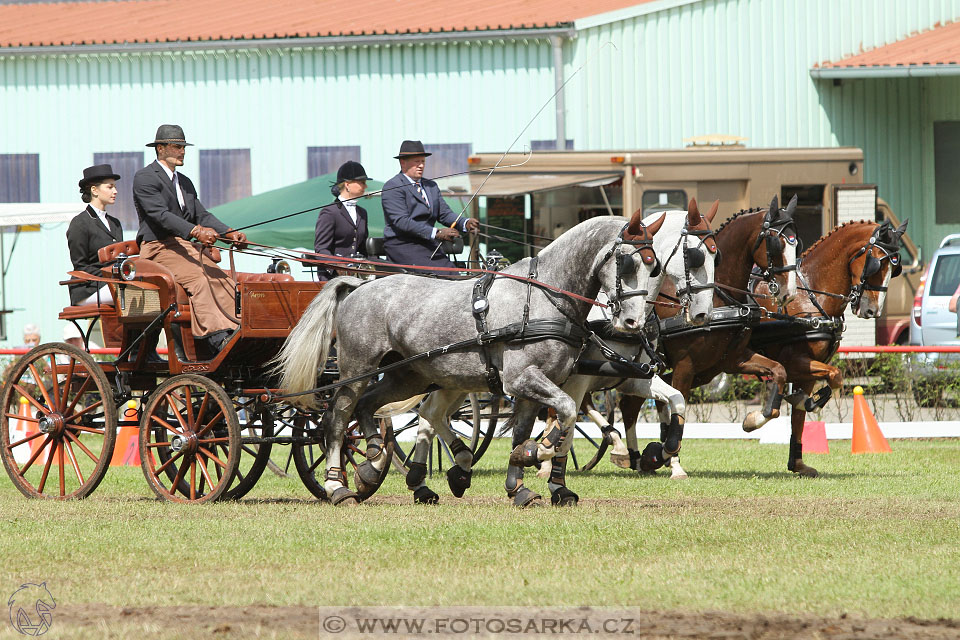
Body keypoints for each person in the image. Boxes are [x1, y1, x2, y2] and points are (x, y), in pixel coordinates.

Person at [133, 124, 247, 354]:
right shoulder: (145, 178)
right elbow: (160, 215)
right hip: (158, 247)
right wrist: (196, 231)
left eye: (183, 147)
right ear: (161, 149)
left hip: (183, 246)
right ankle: (215, 337)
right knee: (199, 279)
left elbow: (201, 214)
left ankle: (236, 330)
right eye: (177, 146)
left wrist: (228, 233)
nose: (182, 151)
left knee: (223, 279)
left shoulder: (184, 182)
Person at [380, 140, 479, 269]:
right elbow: (401, 221)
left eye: (423, 161)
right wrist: (436, 232)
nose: (421, 165)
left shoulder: (431, 186)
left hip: (427, 244)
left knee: (454, 274)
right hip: (403, 245)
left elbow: (444, 213)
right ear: (402, 162)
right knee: (439, 275)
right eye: (416, 162)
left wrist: (464, 223)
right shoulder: (393, 186)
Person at [66, 164, 123, 306]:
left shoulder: (115, 223)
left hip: (113, 285)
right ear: (94, 190)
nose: (115, 191)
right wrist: (111, 274)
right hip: (88, 289)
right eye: (110, 187)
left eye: (115, 187)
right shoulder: (80, 223)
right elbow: (80, 266)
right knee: (129, 295)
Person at [313, 161, 371, 281]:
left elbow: (363, 248)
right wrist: (337, 266)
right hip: (333, 277)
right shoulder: (329, 213)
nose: (365, 187)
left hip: (357, 275)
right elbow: (321, 249)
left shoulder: (362, 213)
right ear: (347, 185)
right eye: (362, 183)